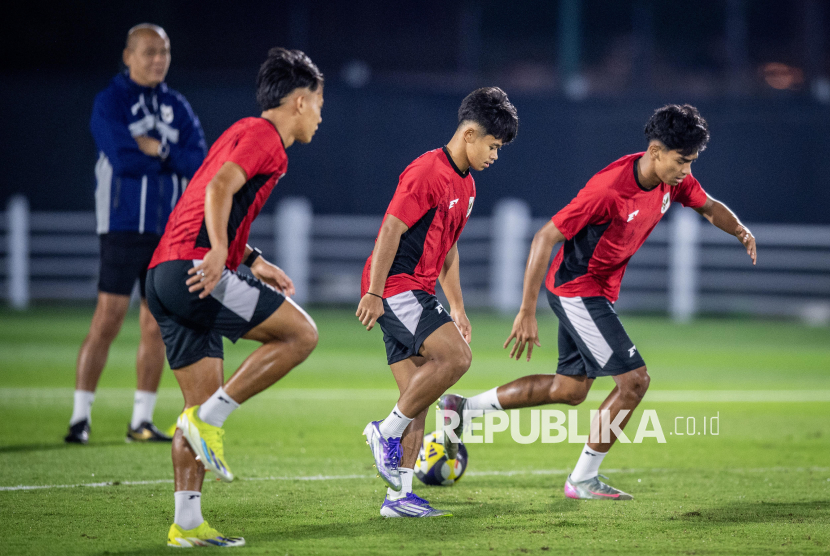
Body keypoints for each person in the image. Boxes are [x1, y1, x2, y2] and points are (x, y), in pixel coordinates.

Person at [440, 104, 757, 500]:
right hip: (577, 290)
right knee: (635, 381)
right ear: (655, 151)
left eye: (692, 162)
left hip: (595, 293)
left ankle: (463, 409)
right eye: (682, 161)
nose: (686, 171)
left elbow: (708, 207)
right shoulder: (608, 190)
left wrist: (739, 229)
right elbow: (544, 237)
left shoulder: (672, 181)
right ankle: (583, 479)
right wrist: (526, 310)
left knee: (569, 389)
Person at [146, 47, 322, 547]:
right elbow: (220, 187)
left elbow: (217, 194)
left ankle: (187, 522)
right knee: (300, 335)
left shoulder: (242, 131)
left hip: (165, 274)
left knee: (195, 409)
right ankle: (211, 419)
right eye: (320, 103)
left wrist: (251, 258)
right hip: (197, 270)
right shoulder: (266, 136)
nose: (321, 115)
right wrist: (222, 252)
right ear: (301, 101)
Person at [356, 87, 519, 518]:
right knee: (457, 360)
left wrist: (459, 308)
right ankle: (383, 432)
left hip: (418, 289)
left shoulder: (467, 186)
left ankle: (399, 498)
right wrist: (374, 292)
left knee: (417, 395)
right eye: (492, 145)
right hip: (395, 286)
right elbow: (391, 229)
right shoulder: (427, 171)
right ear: (469, 134)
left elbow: (448, 250)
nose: (494, 155)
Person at [65, 24, 207, 445]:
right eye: (148, 52)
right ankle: (80, 418)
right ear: (128, 56)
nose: (158, 59)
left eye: (163, 51)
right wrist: (169, 159)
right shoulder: (111, 100)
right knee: (106, 320)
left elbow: (198, 160)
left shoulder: (177, 106)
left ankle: (140, 421)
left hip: (168, 233)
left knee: (154, 326)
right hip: (122, 226)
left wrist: (159, 149)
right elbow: (122, 159)